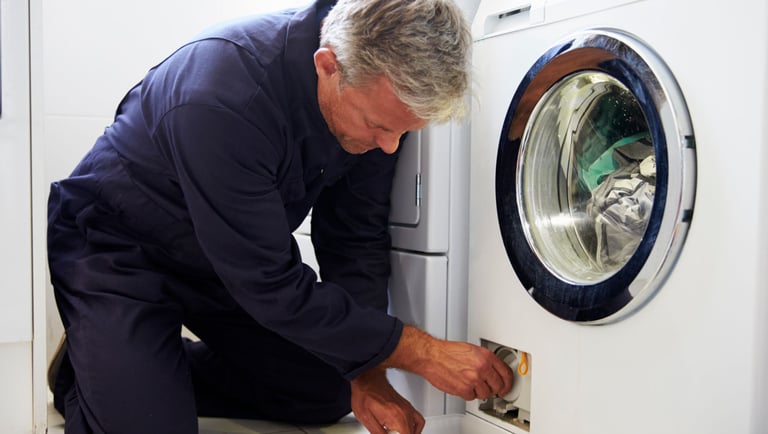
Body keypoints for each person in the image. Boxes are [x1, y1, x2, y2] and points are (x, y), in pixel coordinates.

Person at [46, 0, 515, 433]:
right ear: (328, 66)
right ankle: (104, 367)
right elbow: (270, 285)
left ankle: (141, 363)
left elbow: (353, 237)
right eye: (380, 127)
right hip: (116, 248)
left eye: (403, 131)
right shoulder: (223, 94)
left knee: (329, 388)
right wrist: (422, 351)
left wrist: (367, 370)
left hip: (220, 261)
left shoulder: (376, 99)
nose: (390, 146)